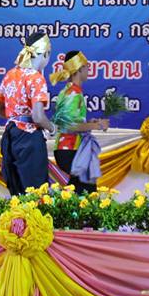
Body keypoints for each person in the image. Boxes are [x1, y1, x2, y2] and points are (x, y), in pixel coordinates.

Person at [0, 31, 56, 195]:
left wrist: (16, 118)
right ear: (46, 53)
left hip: (10, 136)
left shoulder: (11, 74)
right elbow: (38, 117)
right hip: (29, 139)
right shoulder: (36, 78)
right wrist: (52, 128)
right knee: (35, 194)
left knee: (17, 193)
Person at [50, 50, 109, 194]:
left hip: (68, 149)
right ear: (79, 68)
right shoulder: (74, 93)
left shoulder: (69, 91)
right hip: (70, 150)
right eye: (87, 66)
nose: (89, 69)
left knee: (79, 193)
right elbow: (70, 126)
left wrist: (89, 123)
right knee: (86, 193)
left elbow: (71, 121)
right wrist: (97, 125)